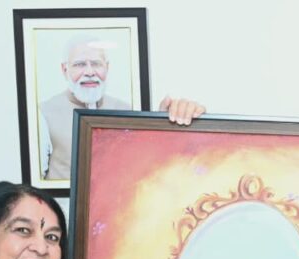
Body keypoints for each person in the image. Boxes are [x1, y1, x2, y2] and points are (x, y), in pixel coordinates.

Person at [38, 35, 205, 180]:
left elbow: (146, 166)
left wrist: (168, 126)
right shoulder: (43, 113)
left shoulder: (127, 111)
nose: (89, 72)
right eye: (80, 64)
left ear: (107, 67)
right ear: (64, 69)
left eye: (96, 64)